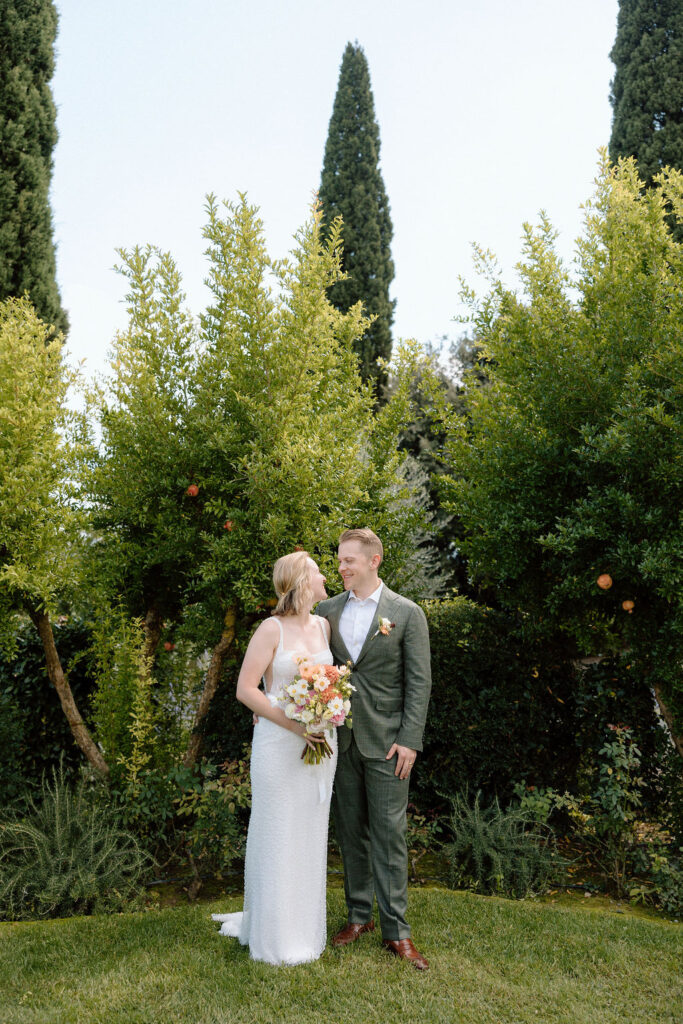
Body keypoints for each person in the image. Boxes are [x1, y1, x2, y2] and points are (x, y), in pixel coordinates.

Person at [211, 550, 336, 965]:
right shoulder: (270, 630)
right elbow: (247, 690)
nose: (326, 579)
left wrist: (326, 715)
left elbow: (328, 683)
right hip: (280, 746)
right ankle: (275, 937)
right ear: (302, 582)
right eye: (318, 573)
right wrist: (296, 725)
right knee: (278, 832)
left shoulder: (323, 625)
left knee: (309, 834)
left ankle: (304, 928)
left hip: (321, 742)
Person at [317, 528, 432, 971]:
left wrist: (410, 739)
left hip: (388, 743)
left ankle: (397, 931)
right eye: (339, 560)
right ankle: (358, 916)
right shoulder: (325, 611)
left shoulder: (406, 613)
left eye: (349, 560)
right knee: (350, 832)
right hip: (340, 741)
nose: (341, 567)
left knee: (389, 835)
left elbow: (418, 683)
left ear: (374, 561)